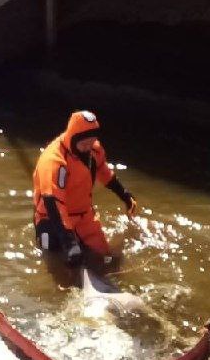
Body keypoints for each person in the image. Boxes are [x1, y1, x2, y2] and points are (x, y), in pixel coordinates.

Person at [33, 110, 138, 266]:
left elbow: (105, 172)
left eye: (92, 141)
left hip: (84, 215)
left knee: (104, 257)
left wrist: (125, 195)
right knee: (55, 261)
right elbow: (53, 202)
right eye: (84, 144)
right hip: (51, 218)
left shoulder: (94, 150)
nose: (88, 147)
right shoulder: (54, 160)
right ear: (73, 137)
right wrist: (69, 242)